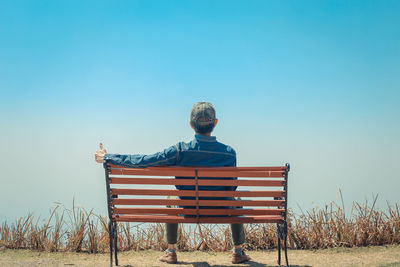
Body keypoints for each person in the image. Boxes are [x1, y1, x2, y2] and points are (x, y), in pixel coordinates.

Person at [95, 102, 250, 264]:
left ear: (191, 124)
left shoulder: (179, 150)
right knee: (236, 200)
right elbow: (231, 188)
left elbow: (145, 161)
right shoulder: (229, 153)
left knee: (171, 198)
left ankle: (171, 251)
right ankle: (238, 252)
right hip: (219, 210)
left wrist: (108, 157)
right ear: (215, 123)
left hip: (188, 209)